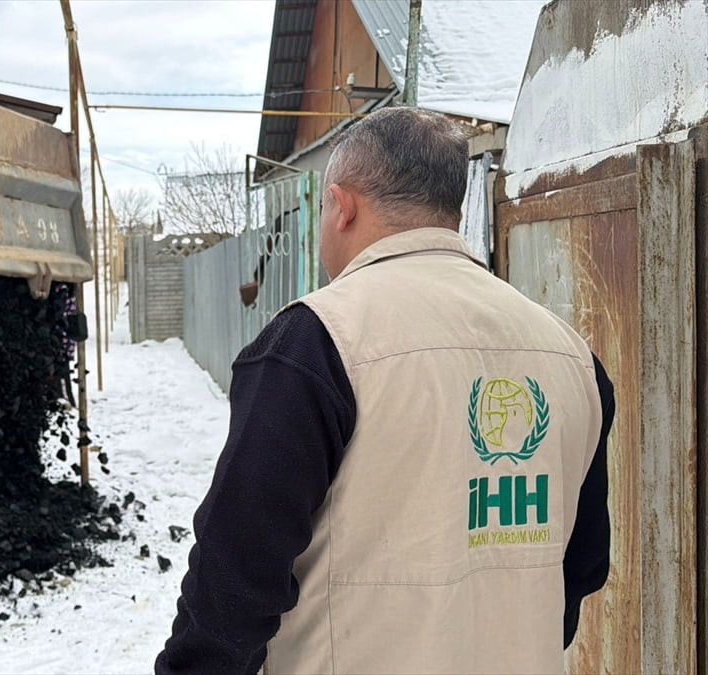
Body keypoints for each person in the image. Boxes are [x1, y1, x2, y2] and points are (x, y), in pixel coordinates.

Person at [155, 107, 613, 675]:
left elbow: (233, 583)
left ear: (341, 207)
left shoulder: (315, 343)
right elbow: (581, 567)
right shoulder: (573, 358)